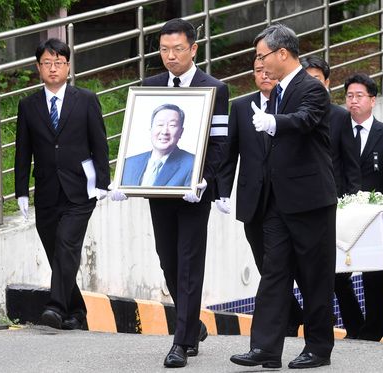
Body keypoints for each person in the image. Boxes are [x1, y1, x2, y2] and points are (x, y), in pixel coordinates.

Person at [111, 18, 229, 368]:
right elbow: (137, 136)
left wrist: (205, 180)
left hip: (195, 192)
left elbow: (220, 143)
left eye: (178, 49)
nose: (171, 56)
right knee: (167, 258)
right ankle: (191, 324)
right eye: (164, 50)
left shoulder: (215, 88)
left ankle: (180, 343)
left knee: (189, 262)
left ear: (193, 49)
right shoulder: (151, 86)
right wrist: (124, 178)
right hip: (159, 189)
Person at [230, 23, 337, 369]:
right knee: (274, 273)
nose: (260, 63)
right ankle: (265, 348)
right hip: (276, 202)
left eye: (263, 56)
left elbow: (304, 120)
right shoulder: (275, 91)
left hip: (309, 200)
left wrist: (274, 123)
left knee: (314, 276)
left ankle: (319, 348)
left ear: (282, 53)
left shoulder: (311, 87)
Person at [14, 38, 110, 330]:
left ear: (68, 65)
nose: (53, 69)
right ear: (38, 67)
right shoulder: (28, 106)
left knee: (67, 245)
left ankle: (55, 307)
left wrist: (103, 183)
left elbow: (100, 144)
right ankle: (77, 312)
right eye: (47, 63)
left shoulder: (86, 100)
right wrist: (20, 191)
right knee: (56, 251)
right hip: (45, 191)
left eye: (58, 63)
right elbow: (23, 151)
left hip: (80, 191)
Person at [215, 58, 304, 336]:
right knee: (264, 262)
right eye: (257, 71)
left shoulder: (288, 104)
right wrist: (223, 192)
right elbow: (230, 153)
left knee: (285, 262)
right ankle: (292, 312)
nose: (264, 75)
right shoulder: (241, 107)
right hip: (253, 199)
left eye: (268, 70)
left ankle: (295, 317)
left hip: (285, 198)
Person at [335, 72, 383, 342]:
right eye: (349, 96)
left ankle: (373, 330)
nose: (353, 101)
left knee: (375, 275)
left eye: (359, 96)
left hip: (373, 214)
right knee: (337, 274)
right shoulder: (337, 128)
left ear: (373, 100)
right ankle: (355, 325)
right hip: (341, 211)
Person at [299, 55, 361, 196]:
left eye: (316, 79)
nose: (311, 84)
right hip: (299, 195)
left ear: (326, 82)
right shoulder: (290, 114)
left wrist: (352, 198)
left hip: (332, 196)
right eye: (305, 79)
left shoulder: (341, 116)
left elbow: (351, 165)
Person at [121, 103, 194, 187]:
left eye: (172, 125)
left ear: (181, 132)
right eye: (160, 124)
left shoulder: (192, 164)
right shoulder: (128, 163)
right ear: (151, 129)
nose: (164, 132)